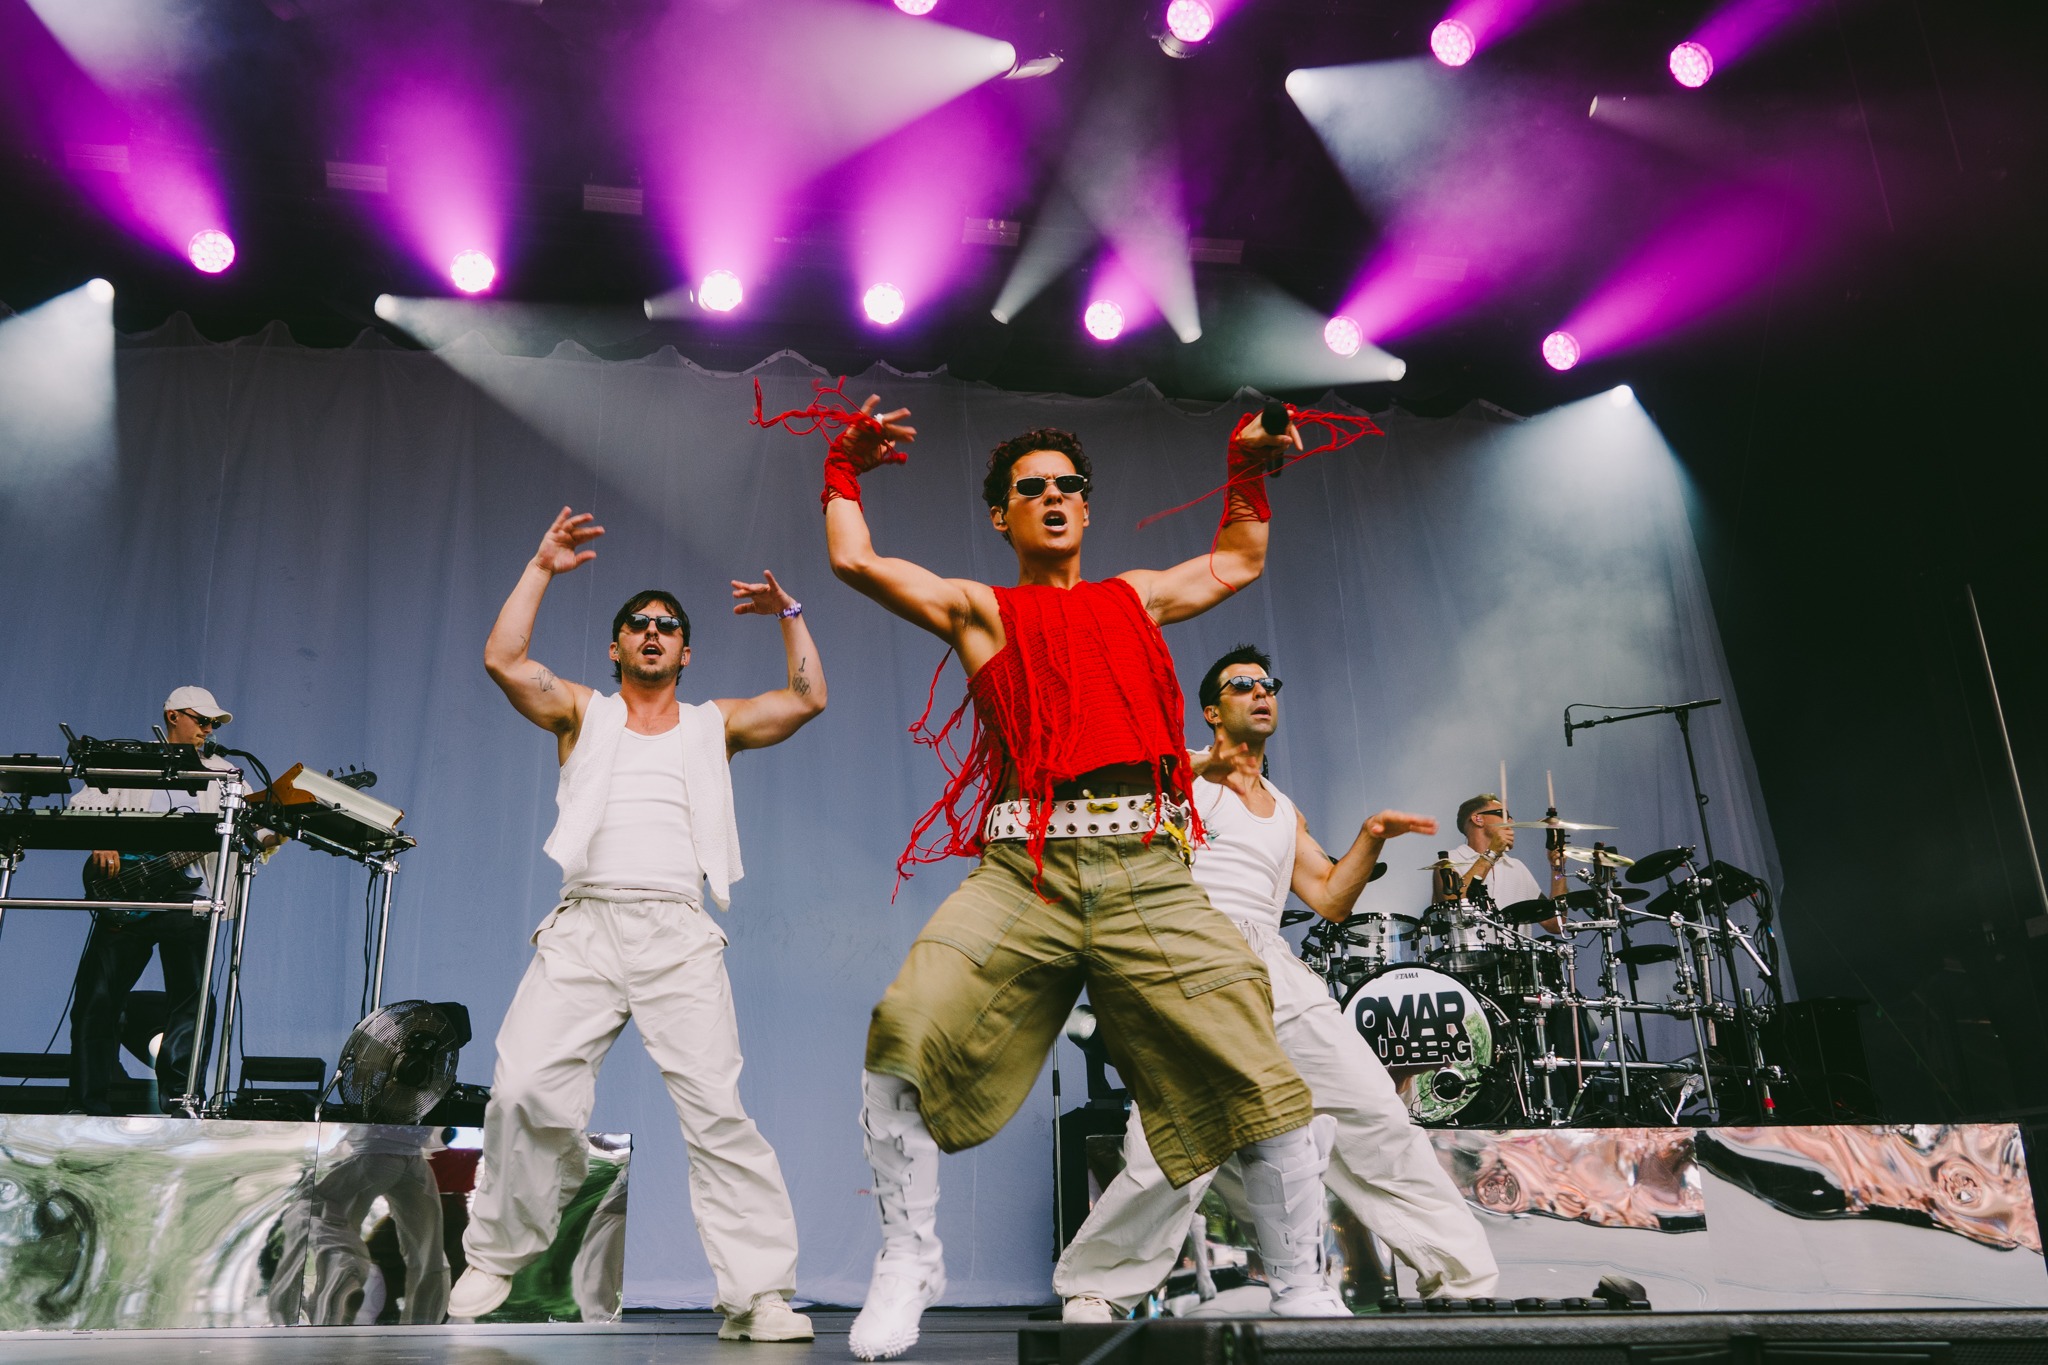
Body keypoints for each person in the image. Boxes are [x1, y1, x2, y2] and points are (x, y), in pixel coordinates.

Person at [816, 394, 1349, 1361]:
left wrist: (1248, 468)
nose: (1054, 497)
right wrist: (843, 467)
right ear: (1002, 514)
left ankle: (1302, 1285)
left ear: (1088, 508)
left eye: (1069, 485)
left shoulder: (1133, 596)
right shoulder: (982, 610)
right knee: (904, 1031)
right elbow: (855, 560)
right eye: (1033, 489)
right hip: (1027, 870)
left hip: (1148, 869)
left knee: (1260, 1069)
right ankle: (909, 1258)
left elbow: (1237, 559)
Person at [445, 508, 824, 1342]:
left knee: (716, 1110)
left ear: (685, 653)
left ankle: (758, 1293)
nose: (653, 631)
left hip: (677, 930)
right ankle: (500, 1252)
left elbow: (808, 698)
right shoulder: (584, 712)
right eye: (638, 624)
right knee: (523, 1088)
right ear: (616, 647)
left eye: (669, 626)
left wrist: (791, 615)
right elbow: (503, 658)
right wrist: (541, 566)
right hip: (586, 924)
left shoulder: (715, 722)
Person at [1054, 645, 1499, 1319]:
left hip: (1274, 964)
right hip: (1195, 954)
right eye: (1242, 685)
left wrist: (1372, 836)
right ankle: (1099, 1284)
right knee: (1178, 1137)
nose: (1262, 692)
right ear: (1212, 711)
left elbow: (1330, 898)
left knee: (1375, 1114)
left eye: (1269, 684)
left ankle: (1461, 1274)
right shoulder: (1181, 776)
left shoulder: (1284, 808)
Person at [68, 685, 240, 1115]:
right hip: (129, 895)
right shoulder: (133, 762)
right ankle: (87, 1102)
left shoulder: (225, 773)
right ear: (172, 716)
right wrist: (101, 837)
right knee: (97, 999)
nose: (208, 729)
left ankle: (182, 1102)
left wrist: (274, 832)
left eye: (213, 724)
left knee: (192, 1004)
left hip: (189, 902)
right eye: (202, 720)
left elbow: (253, 832)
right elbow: (82, 803)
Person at [1442, 793, 1563, 932]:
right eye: (1503, 815)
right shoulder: (1450, 860)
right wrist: (1492, 852)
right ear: (1478, 819)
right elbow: (1452, 903)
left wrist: (1557, 869)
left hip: (1516, 947)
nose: (1511, 821)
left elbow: (1555, 924)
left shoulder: (1517, 867)